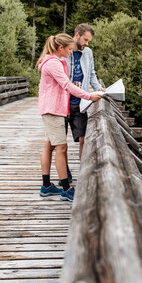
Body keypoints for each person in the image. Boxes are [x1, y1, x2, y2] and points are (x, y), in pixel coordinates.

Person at [37, 33, 102, 202]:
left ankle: (46, 186)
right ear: (61, 48)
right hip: (53, 110)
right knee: (61, 148)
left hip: (51, 109)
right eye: (69, 49)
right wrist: (89, 96)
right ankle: (66, 189)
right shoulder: (53, 64)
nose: (70, 53)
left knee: (49, 146)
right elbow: (67, 85)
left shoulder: (51, 61)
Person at [64, 23, 105, 164]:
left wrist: (99, 88)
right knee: (61, 143)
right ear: (77, 35)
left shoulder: (88, 53)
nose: (86, 44)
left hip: (81, 101)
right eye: (85, 40)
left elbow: (92, 73)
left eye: (88, 41)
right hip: (63, 102)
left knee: (83, 139)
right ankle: (66, 173)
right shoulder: (64, 52)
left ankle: (83, 170)